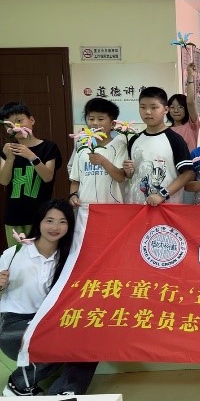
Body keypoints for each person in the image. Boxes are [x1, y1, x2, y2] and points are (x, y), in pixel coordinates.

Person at [0, 199, 96, 396]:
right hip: (13, 327)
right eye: (49, 220)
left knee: (90, 339)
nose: (55, 227)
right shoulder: (14, 253)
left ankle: (66, 391)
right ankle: (19, 384)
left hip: (46, 323)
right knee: (56, 338)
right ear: (39, 222)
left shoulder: (69, 259)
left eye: (62, 222)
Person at [0, 102, 62, 247]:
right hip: (13, 217)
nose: (15, 127)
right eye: (9, 125)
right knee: (17, 258)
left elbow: (47, 177)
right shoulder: (6, 150)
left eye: (19, 121)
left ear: (32, 120)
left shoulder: (49, 147)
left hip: (41, 217)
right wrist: (9, 159)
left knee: (42, 256)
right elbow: (3, 181)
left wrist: (31, 156)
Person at [123, 87, 195, 205]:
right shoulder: (134, 139)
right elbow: (132, 175)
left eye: (154, 107)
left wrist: (162, 194)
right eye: (143, 107)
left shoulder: (174, 139)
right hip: (137, 206)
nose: (147, 112)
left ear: (166, 109)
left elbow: (188, 174)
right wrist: (128, 172)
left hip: (167, 208)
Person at [68, 98, 127, 206]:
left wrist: (103, 161)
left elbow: (120, 177)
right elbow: (75, 180)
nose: (95, 123)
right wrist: (73, 195)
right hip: (85, 208)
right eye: (91, 119)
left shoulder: (119, 145)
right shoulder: (82, 146)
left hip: (112, 208)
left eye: (100, 119)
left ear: (113, 124)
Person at [166, 62, 200, 152]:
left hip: (190, 161)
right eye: (172, 107)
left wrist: (190, 76)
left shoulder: (192, 125)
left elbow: (190, 102)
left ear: (186, 109)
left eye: (180, 107)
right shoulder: (166, 131)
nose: (176, 110)